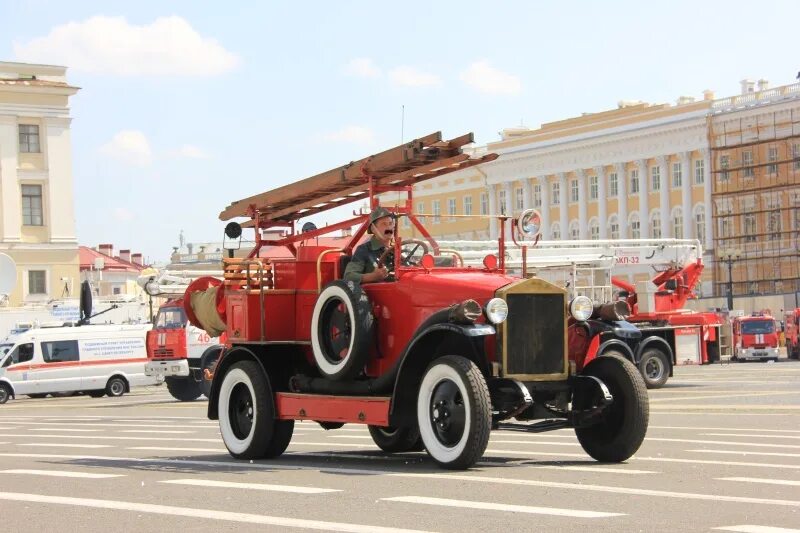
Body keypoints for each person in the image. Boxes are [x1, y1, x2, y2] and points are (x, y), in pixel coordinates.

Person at [343, 207, 395, 283]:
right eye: (384, 224)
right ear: (373, 229)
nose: (389, 228)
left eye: (390, 224)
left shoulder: (398, 249)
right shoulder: (364, 250)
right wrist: (373, 276)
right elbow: (349, 276)